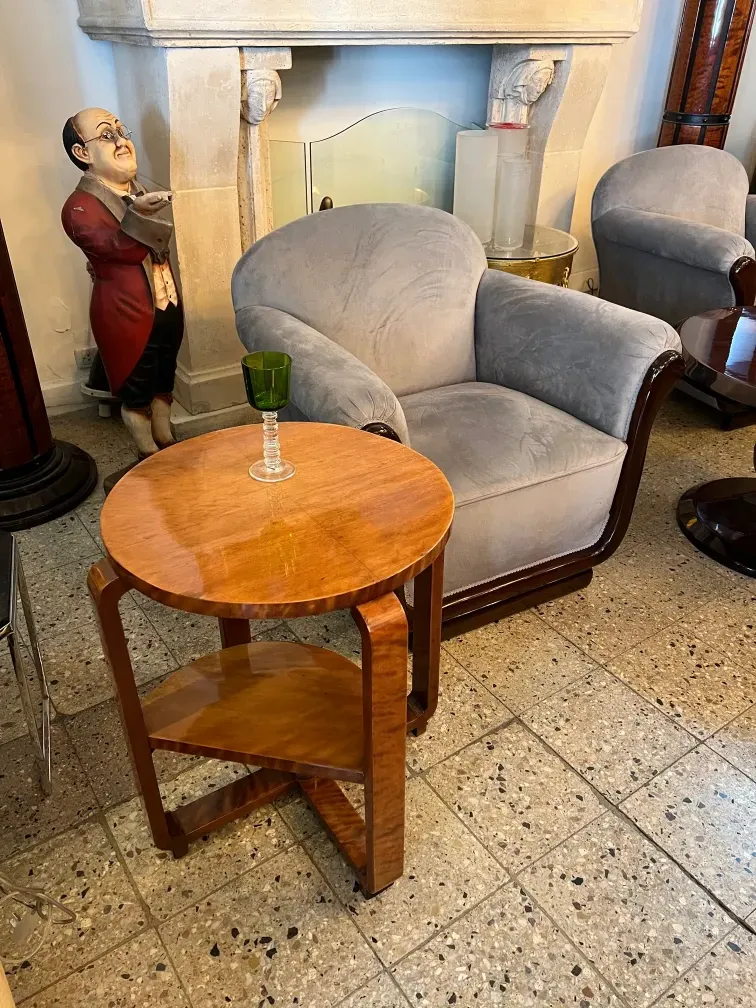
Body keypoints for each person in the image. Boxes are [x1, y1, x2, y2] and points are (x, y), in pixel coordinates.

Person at [61, 107, 183, 457]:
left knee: (164, 374)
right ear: (82, 153)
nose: (121, 142)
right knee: (137, 385)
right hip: (127, 313)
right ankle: (148, 453)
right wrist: (141, 213)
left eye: (120, 130)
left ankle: (167, 441)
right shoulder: (79, 207)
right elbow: (121, 251)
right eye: (106, 135)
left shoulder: (136, 188)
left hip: (166, 302)